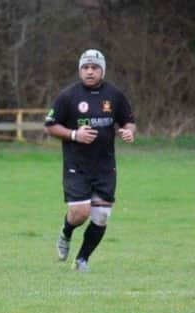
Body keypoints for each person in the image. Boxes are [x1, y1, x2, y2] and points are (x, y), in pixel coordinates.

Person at [45, 49, 136, 272]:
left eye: (94, 68)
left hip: (105, 165)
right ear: (80, 70)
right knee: (80, 213)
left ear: (102, 70)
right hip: (77, 165)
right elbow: (50, 126)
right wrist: (75, 134)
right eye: (85, 67)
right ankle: (66, 232)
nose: (89, 71)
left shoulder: (115, 95)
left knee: (101, 216)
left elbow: (128, 121)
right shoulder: (68, 96)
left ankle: (82, 259)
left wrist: (128, 132)